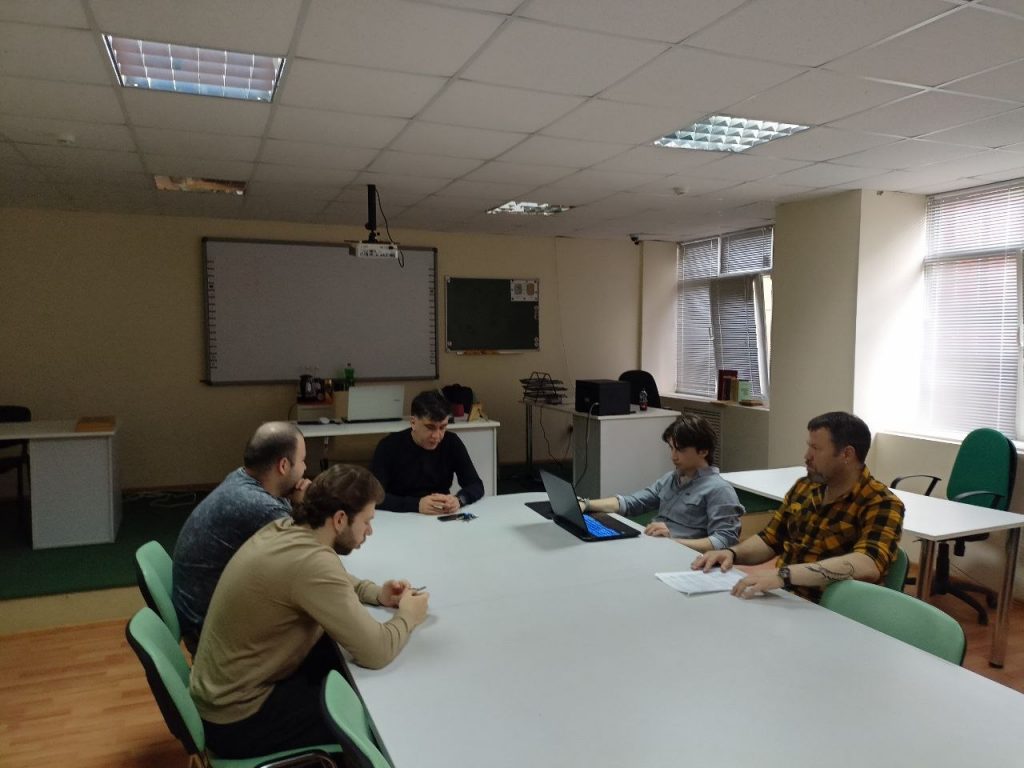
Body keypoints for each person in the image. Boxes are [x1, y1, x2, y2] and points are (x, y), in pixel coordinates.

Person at [190, 464, 429, 760]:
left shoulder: (286, 528)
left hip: (222, 695)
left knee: (341, 661)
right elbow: (377, 651)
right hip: (239, 720)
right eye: (367, 521)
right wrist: (408, 616)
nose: (370, 530)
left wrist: (376, 593)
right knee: (377, 715)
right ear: (340, 519)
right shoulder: (312, 564)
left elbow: (330, 577)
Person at [692, 411, 904, 601]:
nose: (806, 456)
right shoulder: (805, 487)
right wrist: (732, 553)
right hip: (785, 596)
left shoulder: (881, 503)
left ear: (847, 454)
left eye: (816, 448)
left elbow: (867, 564)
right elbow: (770, 539)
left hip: (832, 610)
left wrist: (784, 575)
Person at [172, 421, 310, 652]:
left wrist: (295, 505)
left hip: (204, 615)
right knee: (317, 624)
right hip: (214, 637)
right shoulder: (260, 506)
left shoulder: (241, 478)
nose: (305, 468)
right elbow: (310, 555)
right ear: (284, 465)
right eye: (303, 460)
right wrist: (305, 506)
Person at [580, 413, 742, 551]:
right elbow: (633, 503)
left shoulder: (719, 490)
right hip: (653, 547)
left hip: (683, 558)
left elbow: (724, 541)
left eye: (680, 450)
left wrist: (673, 542)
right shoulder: (671, 478)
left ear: (704, 451)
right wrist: (586, 504)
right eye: (671, 448)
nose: (673, 456)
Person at [370, 389, 484, 514]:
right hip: (400, 515)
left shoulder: (451, 442)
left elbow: (476, 485)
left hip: (441, 515)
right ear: (413, 422)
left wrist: (459, 500)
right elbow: (373, 496)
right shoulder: (388, 446)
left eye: (443, 427)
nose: (437, 436)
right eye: (430, 427)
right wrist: (416, 505)